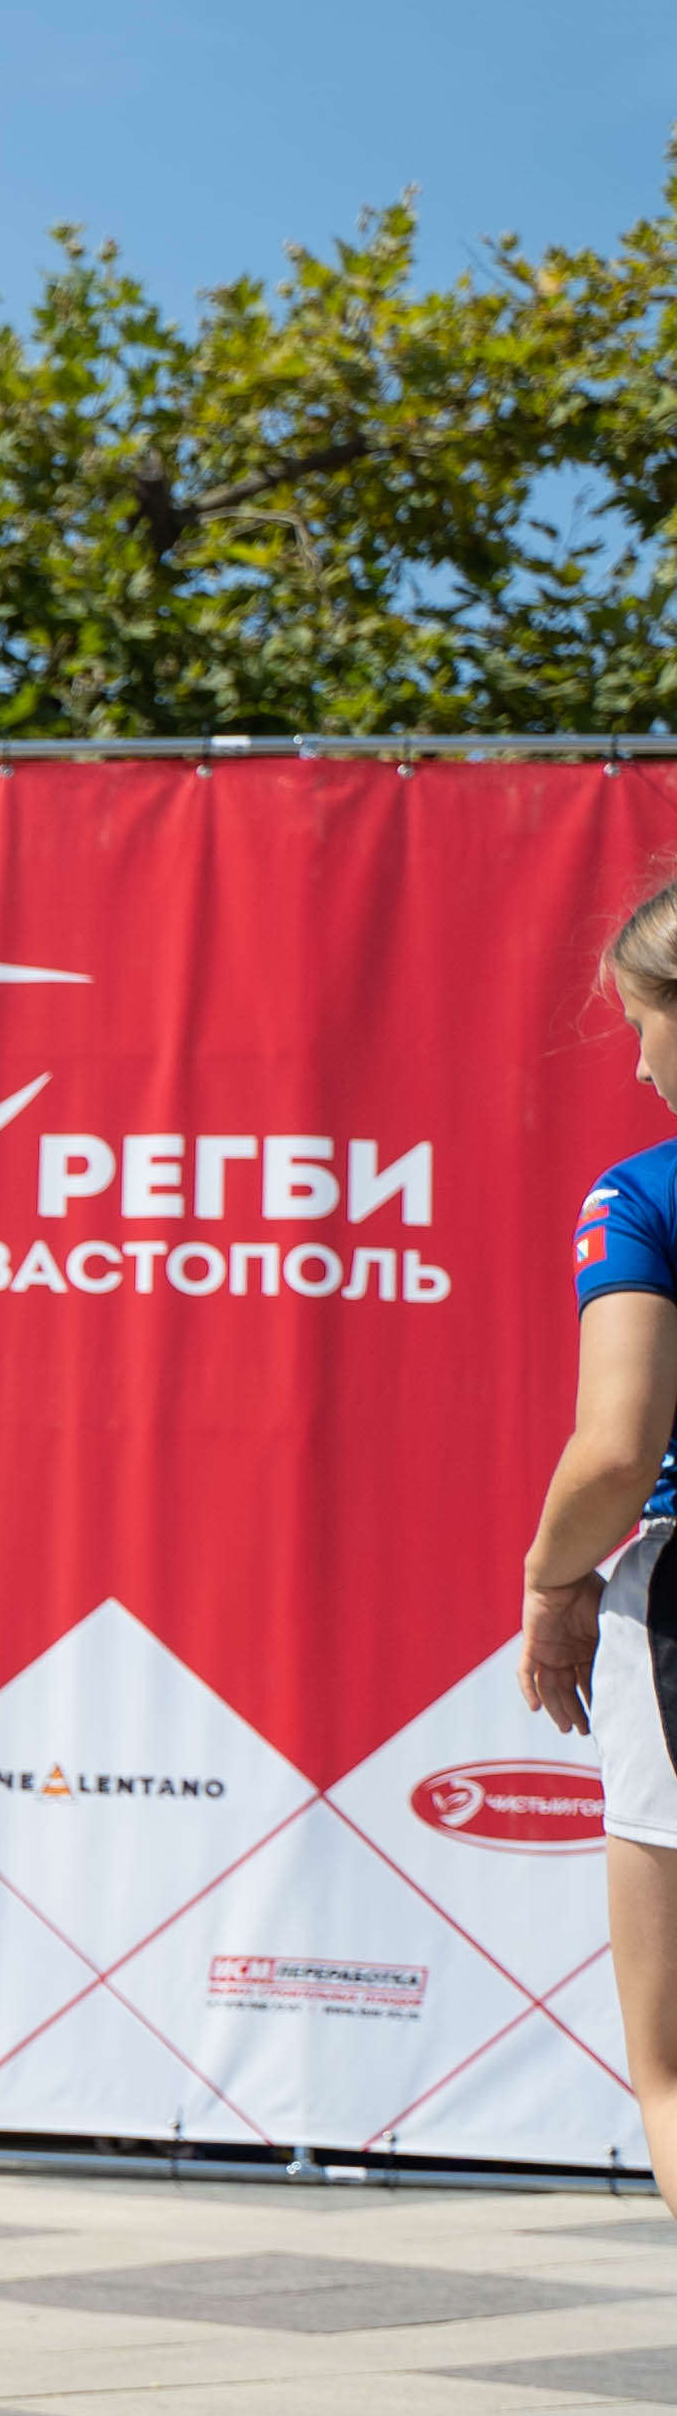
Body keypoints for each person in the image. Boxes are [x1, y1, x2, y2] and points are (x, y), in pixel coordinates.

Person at [521, 874, 677, 2212]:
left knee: (674, 2069)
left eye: (644, 1024)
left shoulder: (648, 1193)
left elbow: (617, 1447)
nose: (634, 1060)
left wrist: (550, 1577)